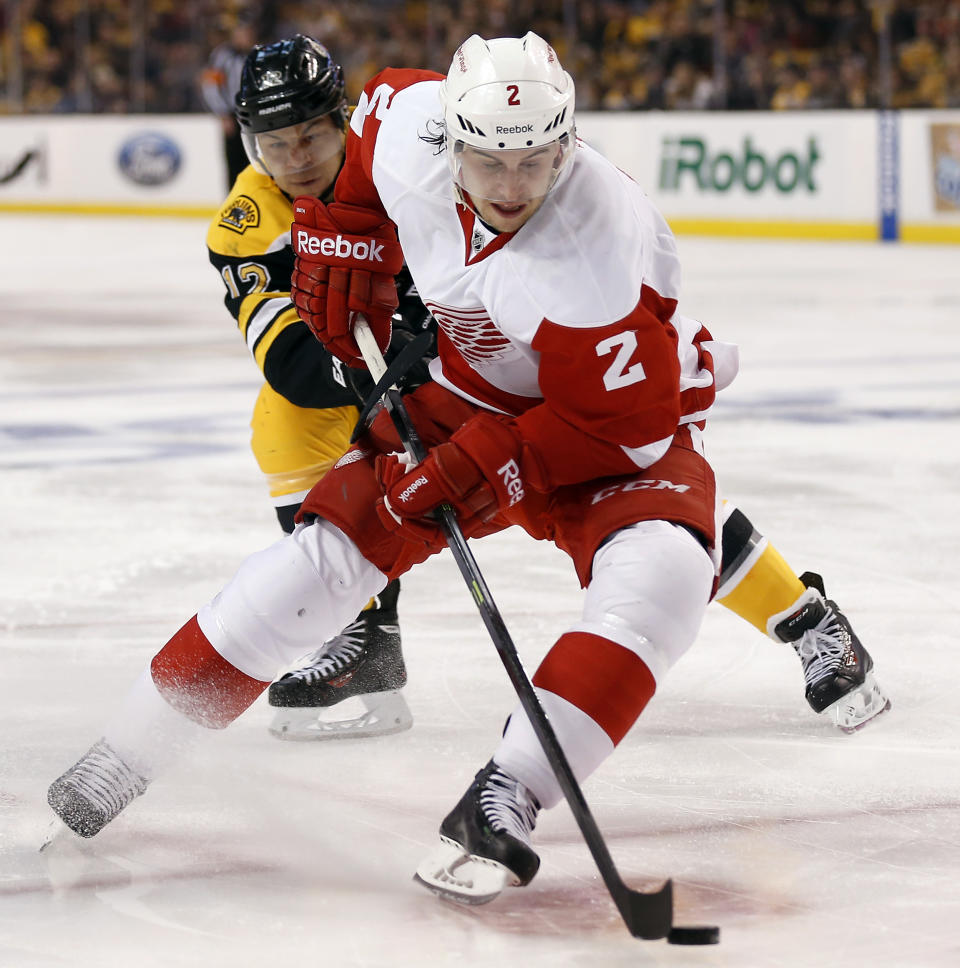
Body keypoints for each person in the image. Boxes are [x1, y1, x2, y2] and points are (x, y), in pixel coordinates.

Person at [47, 34, 888, 909]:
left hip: (603, 424)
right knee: (330, 547)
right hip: (467, 381)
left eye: (537, 160)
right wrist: (353, 243)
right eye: (487, 158)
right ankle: (128, 750)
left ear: (570, 141)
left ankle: (509, 794)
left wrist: (491, 464)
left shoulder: (596, 250)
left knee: (670, 570)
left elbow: (624, 433)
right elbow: (363, 173)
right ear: (449, 138)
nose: (512, 186)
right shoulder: (404, 124)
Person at [207, 35, 434, 740]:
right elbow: (291, 363)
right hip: (404, 363)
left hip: (491, 342)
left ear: (344, 119)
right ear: (249, 145)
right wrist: (387, 364)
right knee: (284, 421)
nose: (296, 159)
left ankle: (787, 613)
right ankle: (367, 637)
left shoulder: (404, 158)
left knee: (611, 473)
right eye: (275, 143)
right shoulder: (248, 225)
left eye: (311, 135)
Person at [200, 11, 259, 190]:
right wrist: (223, 114)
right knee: (234, 161)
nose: (246, 37)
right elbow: (211, 86)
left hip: (255, 116)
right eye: (243, 33)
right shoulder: (222, 55)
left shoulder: (257, 54)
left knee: (256, 161)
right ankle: (235, 199)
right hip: (233, 115)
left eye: (249, 33)